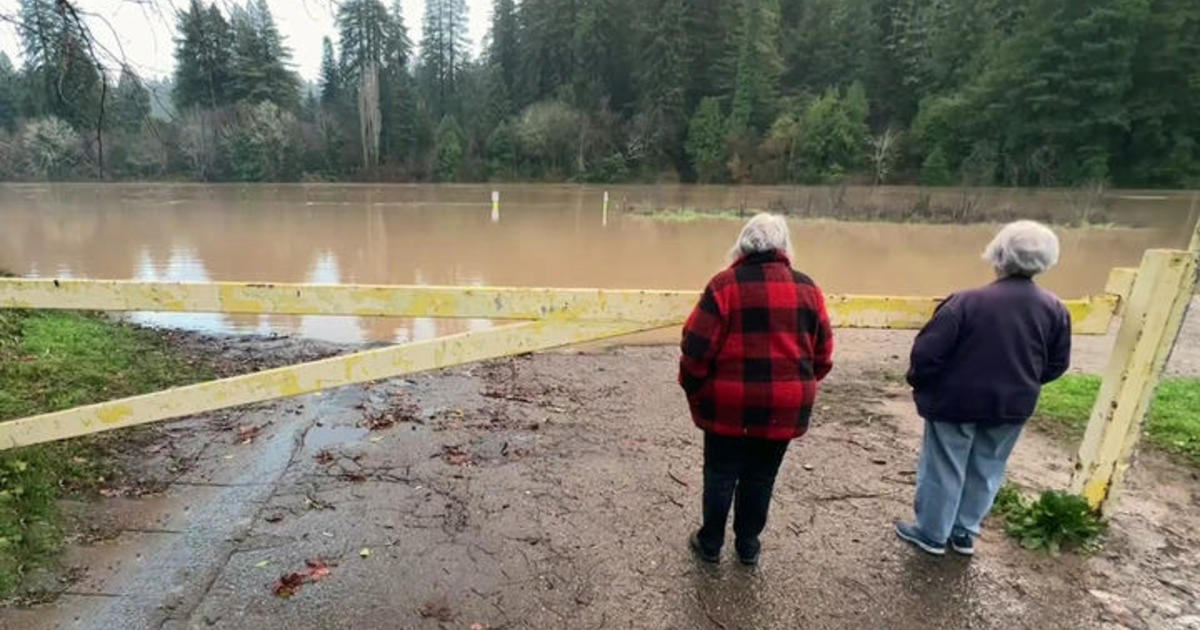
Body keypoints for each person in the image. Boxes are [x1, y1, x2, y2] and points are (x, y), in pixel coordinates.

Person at [895, 220, 1072, 557]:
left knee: (944, 464)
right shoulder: (1055, 309)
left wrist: (921, 382)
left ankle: (932, 532)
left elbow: (928, 353)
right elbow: (1056, 364)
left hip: (955, 401)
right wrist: (1026, 382)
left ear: (998, 254)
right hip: (1012, 404)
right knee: (988, 465)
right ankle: (963, 532)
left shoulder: (965, 302)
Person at [679, 213, 834, 565]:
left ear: (742, 244)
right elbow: (823, 355)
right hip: (783, 407)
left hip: (727, 405)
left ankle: (711, 544)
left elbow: (695, 349)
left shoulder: (723, 286)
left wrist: (696, 387)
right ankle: (748, 545)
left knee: (720, 473)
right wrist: (796, 388)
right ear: (784, 248)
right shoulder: (808, 289)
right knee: (761, 476)